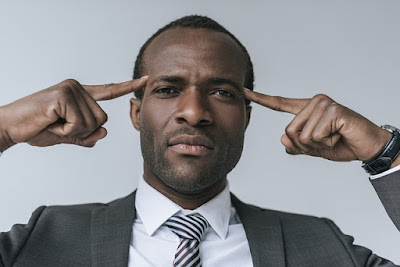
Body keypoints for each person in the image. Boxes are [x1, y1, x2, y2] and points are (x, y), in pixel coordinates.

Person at [0, 15, 399, 267]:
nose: (194, 111)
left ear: (247, 117)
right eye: (169, 89)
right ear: (136, 114)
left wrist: (385, 151)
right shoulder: (44, 237)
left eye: (223, 92)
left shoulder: (321, 247)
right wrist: (2, 129)